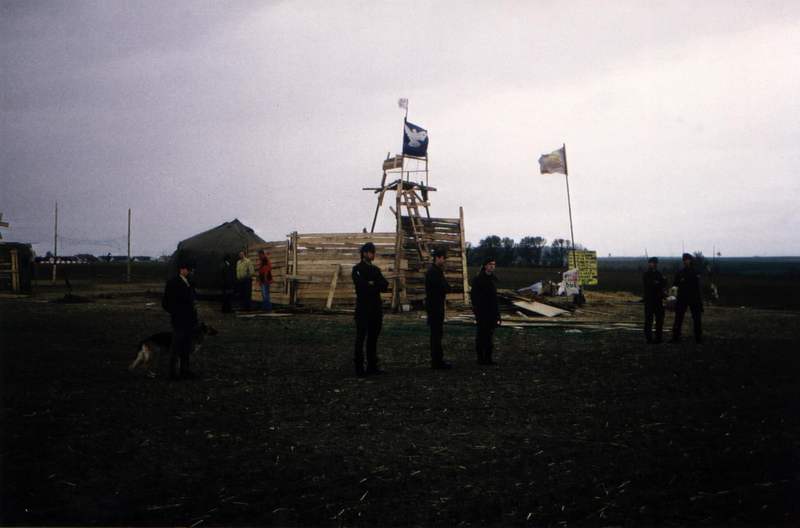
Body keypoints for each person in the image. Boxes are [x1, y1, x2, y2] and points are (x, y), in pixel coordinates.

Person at [352, 242, 389, 377]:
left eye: (374, 252)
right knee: (361, 338)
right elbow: (361, 287)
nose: (373, 255)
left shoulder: (375, 270)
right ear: (364, 253)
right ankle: (359, 368)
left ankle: (372, 366)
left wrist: (372, 284)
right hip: (363, 309)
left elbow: (385, 285)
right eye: (371, 252)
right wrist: (373, 284)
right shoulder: (357, 269)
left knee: (373, 338)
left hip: (375, 309)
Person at [162, 259, 199, 379]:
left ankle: (185, 370)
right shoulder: (173, 283)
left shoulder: (190, 282)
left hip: (190, 320)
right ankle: (172, 372)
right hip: (179, 320)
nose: (190, 272)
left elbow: (192, 299)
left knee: (186, 346)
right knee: (176, 346)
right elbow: (165, 303)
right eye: (189, 270)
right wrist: (176, 313)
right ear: (182, 269)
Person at [425, 247, 452, 369]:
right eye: (443, 258)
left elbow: (446, 287)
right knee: (436, 335)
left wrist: (446, 287)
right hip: (434, 307)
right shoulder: (433, 272)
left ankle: (437, 360)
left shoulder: (437, 271)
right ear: (437, 258)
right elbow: (444, 287)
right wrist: (445, 287)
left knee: (437, 334)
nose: (444, 260)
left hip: (437, 306)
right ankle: (437, 361)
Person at [470, 256, 501, 365]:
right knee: (481, 335)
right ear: (485, 266)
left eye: (494, 264)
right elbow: (474, 297)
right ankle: (480, 358)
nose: (492, 266)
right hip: (482, 312)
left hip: (492, 312)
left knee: (489, 336)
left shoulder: (493, 279)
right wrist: (477, 310)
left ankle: (488, 358)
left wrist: (497, 314)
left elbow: (494, 298)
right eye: (490, 264)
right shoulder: (478, 279)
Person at [671, 253, 703, 344]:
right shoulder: (680, 272)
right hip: (682, 297)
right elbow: (675, 284)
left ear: (690, 260)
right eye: (684, 260)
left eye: (687, 260)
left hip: (694, 297)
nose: (685, 261)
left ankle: (698, 338)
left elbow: (697, 284)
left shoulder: (696, 272)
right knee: (678, 318)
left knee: (697, 318)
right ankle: (675, 337)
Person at [642, 257, 667, 343]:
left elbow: (663, 283)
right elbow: (650, 284)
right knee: (649, 320)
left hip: (658, 300)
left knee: (660, 319)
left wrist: (659, 283)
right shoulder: (646, 274)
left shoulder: (659, 274)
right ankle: (649, 338)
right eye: (652, 263)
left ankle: (658, 337)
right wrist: (658, 283)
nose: (653, 264)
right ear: (649, 264)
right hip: (649, 300)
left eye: (655, 263)